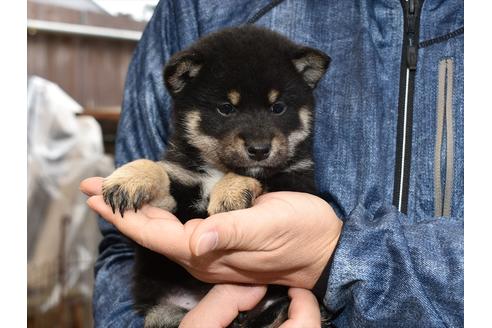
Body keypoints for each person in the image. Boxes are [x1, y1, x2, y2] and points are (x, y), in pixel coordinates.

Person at [81, 0, 464, 326]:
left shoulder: (291, 172)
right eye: (226, 109)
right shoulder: (191, 8)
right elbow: (123, 240)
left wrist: (332, 255)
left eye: (279, 108)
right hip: (173, 302)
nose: (260, 138)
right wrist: (146, 175)